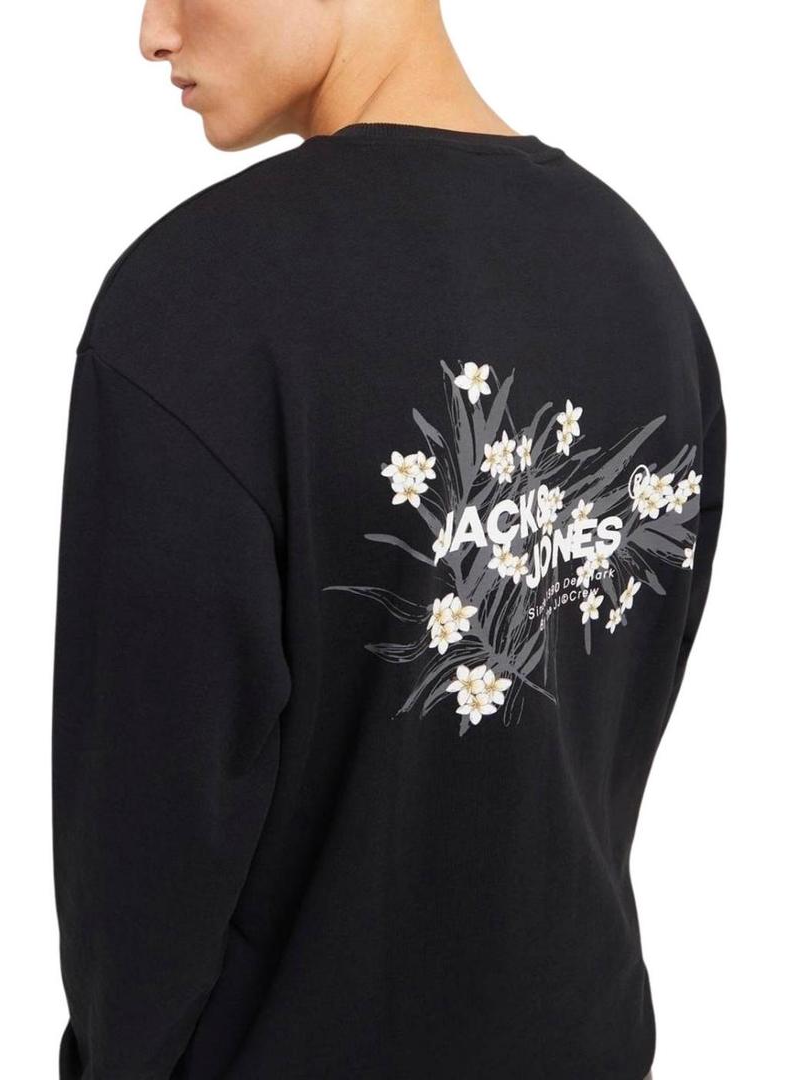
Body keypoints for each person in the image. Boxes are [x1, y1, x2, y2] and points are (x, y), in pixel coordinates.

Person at [52, 1, 724, 1077]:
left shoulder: (196, 305)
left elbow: (144, 858)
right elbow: (621, 723)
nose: (153, 31)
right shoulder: (643, 284)